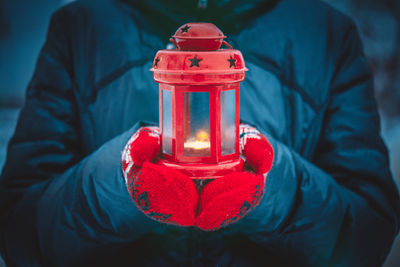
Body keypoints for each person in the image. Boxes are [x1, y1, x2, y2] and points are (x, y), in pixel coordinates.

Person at [1, 0, 399, 266]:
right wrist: (119, 188)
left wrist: (273, 187)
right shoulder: (81, 27)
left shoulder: (326, 33)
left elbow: (368, 233)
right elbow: (19, 231)